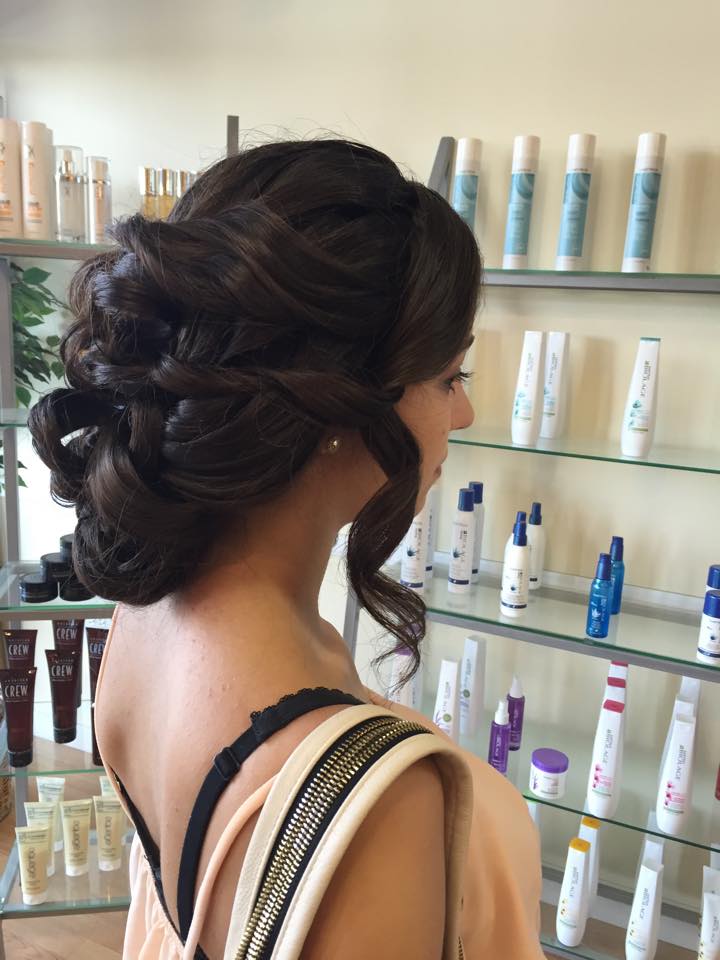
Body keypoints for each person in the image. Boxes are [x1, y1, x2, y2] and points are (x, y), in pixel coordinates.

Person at [29, 139, 544, 958]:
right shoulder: (375, 807)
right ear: (338, 405)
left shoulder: (144, 605)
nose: (464, 417)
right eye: (452, 377)